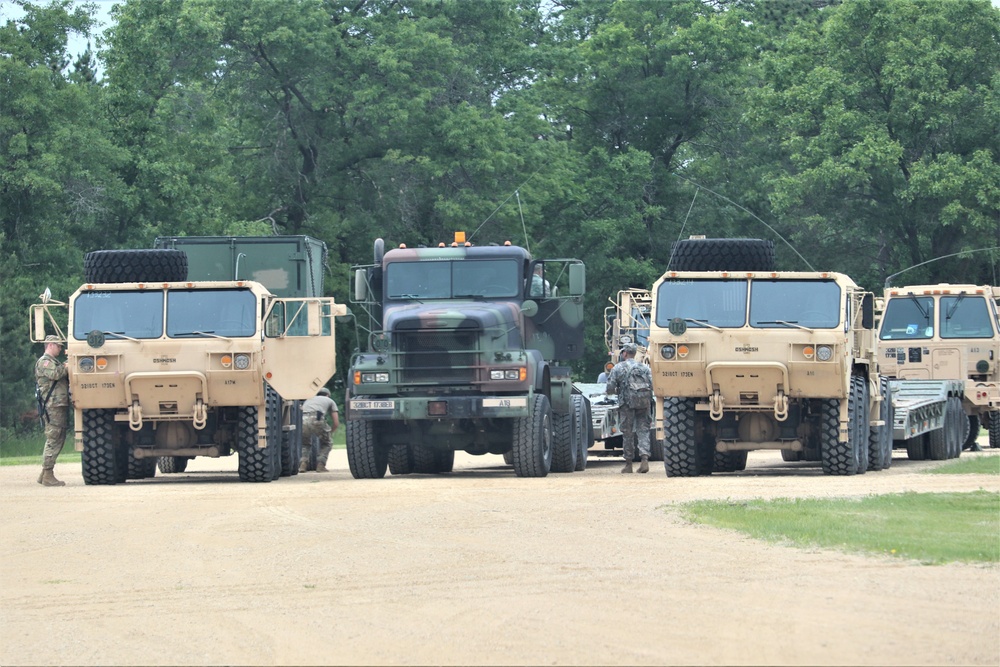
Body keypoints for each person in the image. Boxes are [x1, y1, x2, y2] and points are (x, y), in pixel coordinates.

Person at [605, 343, 653, 473]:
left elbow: (609, 388)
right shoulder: (644, 367)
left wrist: (615, 391)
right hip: (643, 402)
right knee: (643, 430)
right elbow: (652, 385)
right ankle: (644, 460)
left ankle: (629, 464)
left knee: (627, 433)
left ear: (624, 353)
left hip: (626, 404)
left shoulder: (618, 368)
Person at [35, 335, 70, 487]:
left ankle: (44, 474)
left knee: (58, 437)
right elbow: (55, 374)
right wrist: (66, 366)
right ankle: (48, 473)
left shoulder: (53, 362)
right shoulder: (45, 362)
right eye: (59, 346)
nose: (60, 349)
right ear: (50, 345)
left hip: (57, 404)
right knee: (54, 438)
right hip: (53, 405)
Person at [299, 387, 339, 473]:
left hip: (303, 420)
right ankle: (321, 465)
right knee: (327, 443)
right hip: (317, 419)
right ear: (327, 395)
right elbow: (336, 422)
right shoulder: (330, 401)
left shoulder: (309, 400)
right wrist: (330, 432)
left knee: (305, 444)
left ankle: (303, 464)